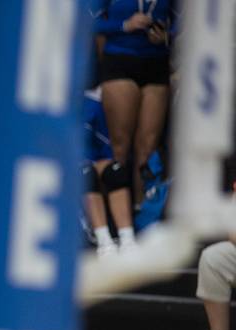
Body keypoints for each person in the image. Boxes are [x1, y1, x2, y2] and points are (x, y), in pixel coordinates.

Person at [95, 0, 176, 206]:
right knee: (120, 148)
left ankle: (142, 216)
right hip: (120, 60)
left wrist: (166, 35)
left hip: (157, 64)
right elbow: (90, 23)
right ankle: (113, 220)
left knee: (147, 150)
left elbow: (186, 24)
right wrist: (124, 25)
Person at [82, 87, 136, 256]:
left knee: (115, 171)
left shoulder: (92, 102)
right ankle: (103, 241)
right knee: (86, 174)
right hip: (69, 164)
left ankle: (127, 240)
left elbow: (104, 147)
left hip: (93, 158)